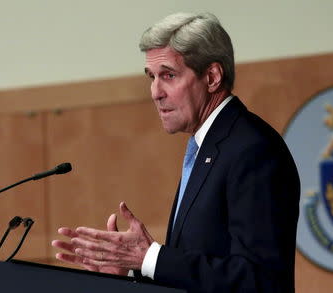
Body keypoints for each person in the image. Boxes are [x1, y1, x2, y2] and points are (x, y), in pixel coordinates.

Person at [52, 12, 300, 292]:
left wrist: (150, 258)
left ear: (212, 77)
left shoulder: (252, 149)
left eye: (168, 75)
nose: (156, 91)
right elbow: (200, 268)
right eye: (151, 77)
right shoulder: (208, 146)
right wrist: (133, 270)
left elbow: (260, 281)